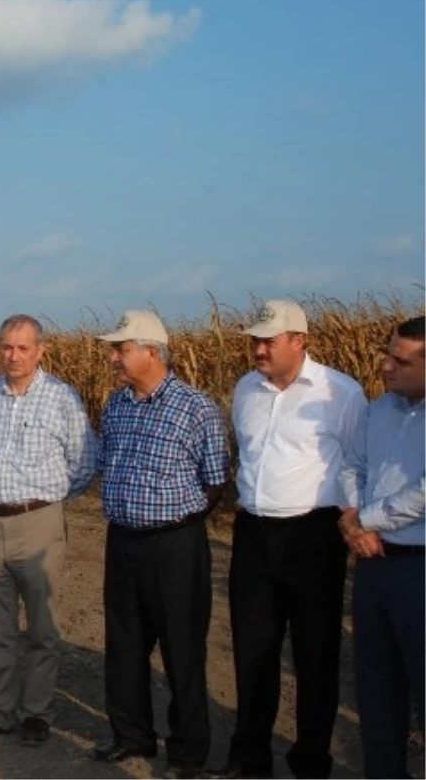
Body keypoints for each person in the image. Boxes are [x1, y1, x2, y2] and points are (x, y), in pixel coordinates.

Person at [210, 301, 366, 780]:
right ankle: (250, 758)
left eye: (268, 341)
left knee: (315, 655)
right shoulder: (245, 389)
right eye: (254, 340)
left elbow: (357, 463)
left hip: (313, 537)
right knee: (253, 650)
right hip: (254, 533)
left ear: (299, 340)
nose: (258, 349)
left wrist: (353, 519)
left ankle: (311, 761)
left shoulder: (339, 393)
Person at [90, 310, 230, 780]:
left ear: (152, 352)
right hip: (123, 541)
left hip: (174, 545)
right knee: (124, 644)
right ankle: (132, 734)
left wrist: (179, 520)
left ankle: (188, 752)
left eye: (122, 349)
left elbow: (215, 480)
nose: (113, 357)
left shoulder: (196, 408)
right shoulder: (118, 405)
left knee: (181, 648)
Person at [0, 314, 97, 745]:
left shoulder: (62, 398)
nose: (13, 356)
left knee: (41, 624)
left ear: (40, 350)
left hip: (38, 523)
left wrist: (42, 502)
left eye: (23, 348)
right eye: (6, 347)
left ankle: (36, 712)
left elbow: (85, 462)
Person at [339, 315, 426, 780]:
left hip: (419, 569)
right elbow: (352, 466)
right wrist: (356, 524)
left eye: (401, 360)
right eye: (387, 354)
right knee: (376, 686)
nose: (387, 367)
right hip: (374, 564)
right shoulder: (379, 409)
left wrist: (365, 519)